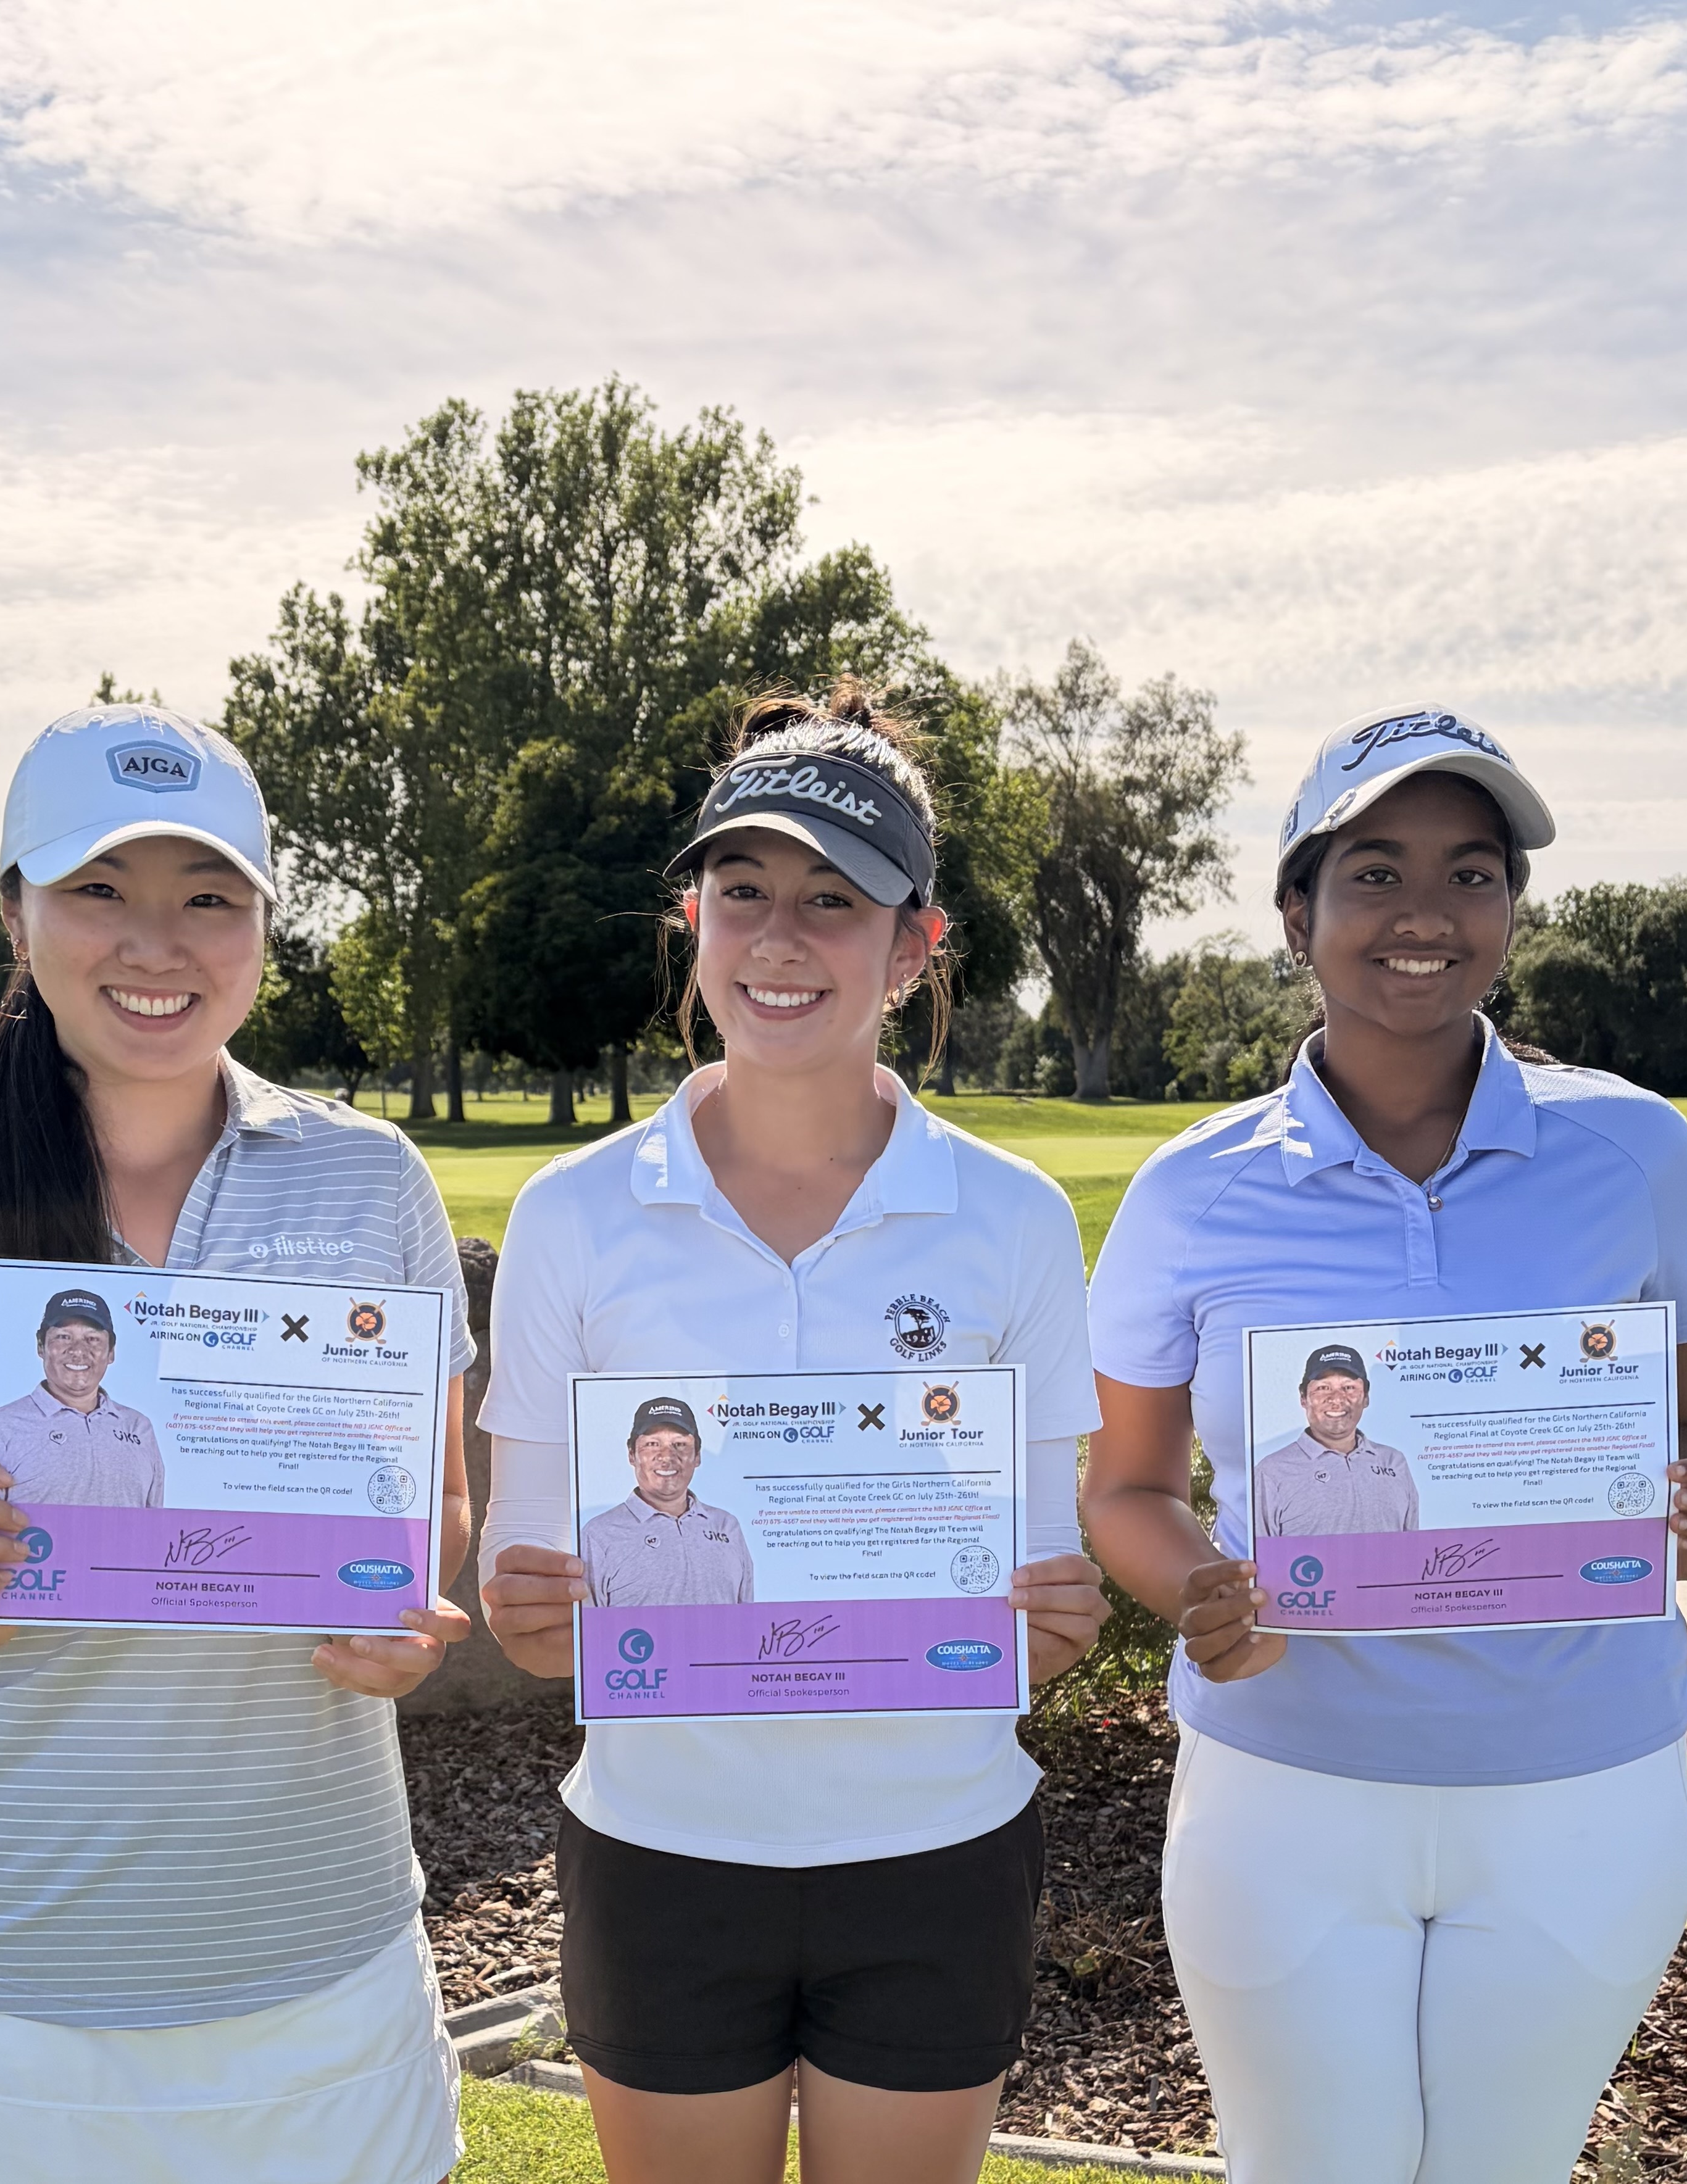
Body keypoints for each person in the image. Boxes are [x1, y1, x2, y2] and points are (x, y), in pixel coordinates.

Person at [0, 702, 477, 2184]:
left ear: (263, 926)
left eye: (206, 898)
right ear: (16, 912)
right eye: (100, 890)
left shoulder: (369, 1180)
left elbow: (438, 1500)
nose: (156, 944)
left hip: (321, 1969)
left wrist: (412, 1612)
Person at [1081, 704, 1687, 2184]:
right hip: (1284, 1790)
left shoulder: (1632, 1148)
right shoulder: (1191, 1190)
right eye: (1371, 871)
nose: (1422, 914)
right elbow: (1124, 1488)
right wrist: (1193, 1584)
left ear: (1509, 909)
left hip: (1579, 1786)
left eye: (1469, 872)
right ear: (1294, 913)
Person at [479, 682, 1114, 2184]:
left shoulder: (1007, 1215)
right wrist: (526, 1608)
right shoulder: (571, 1214)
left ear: (912, 946)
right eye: (742, 890)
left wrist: (1059, 1612)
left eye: (832, 902)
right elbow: (529, 1608)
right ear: (687, 916)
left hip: (933, 1850)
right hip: (661, 1851)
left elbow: (1043, 1595)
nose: (776, 938)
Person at [0, 1289, 166, 1509]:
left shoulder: (139, 1427)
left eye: (93, 1339)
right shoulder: (1, 1426)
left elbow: (155, 1525)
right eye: (64, 1337)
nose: (78, 1351)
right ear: (41, 1347)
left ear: (111, 1352)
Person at [581, 1396, 756, 1607]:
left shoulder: (727, 1526)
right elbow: (589, 1631)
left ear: (697, 1456)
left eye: (680, 1444)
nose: (667, 1456)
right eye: (652, 1444)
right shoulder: (600, 1534)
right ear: (632, 1455)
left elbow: (747, 1621)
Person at [1251, 1343, 1417, 1537]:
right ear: (1303, 1398)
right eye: (1323, 1388)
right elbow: (1262, 1559)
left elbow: (1412, 1550)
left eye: (1349, 1387)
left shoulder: (1395, 1463)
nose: (1337, 1399)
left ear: (1366, 1398)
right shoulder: (1271, 1472)